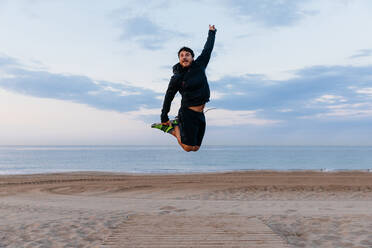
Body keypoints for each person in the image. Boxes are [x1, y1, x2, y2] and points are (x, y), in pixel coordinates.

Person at [152, 24, 217, 152]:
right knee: (187, 148)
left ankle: (176, 126)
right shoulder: (177, 77)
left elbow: (207, 49)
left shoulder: (200, 65)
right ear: (179, 59)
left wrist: (212, 33)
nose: (184, 57)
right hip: (187, 113)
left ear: (192, 58)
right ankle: (173, 129)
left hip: (200, 113)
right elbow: (169, 96)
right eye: (181, 55)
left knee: (196, 148)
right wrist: (164, 117)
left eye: (187, 54)